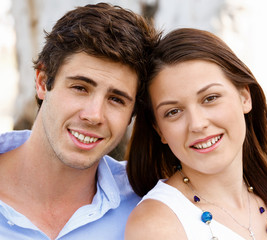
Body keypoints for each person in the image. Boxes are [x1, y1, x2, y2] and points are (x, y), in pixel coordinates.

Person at [125, 28, 267, 240]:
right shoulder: (156, 225)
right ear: (159, 129)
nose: (197, 124)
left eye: (210, 98)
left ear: (244, 97)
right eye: (173, 112)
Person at [0, 3, 158, 240]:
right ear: (43, 82)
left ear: (132, 113)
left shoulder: (149, 203)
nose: (94, 115)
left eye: (116, 99)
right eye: (80, 88)